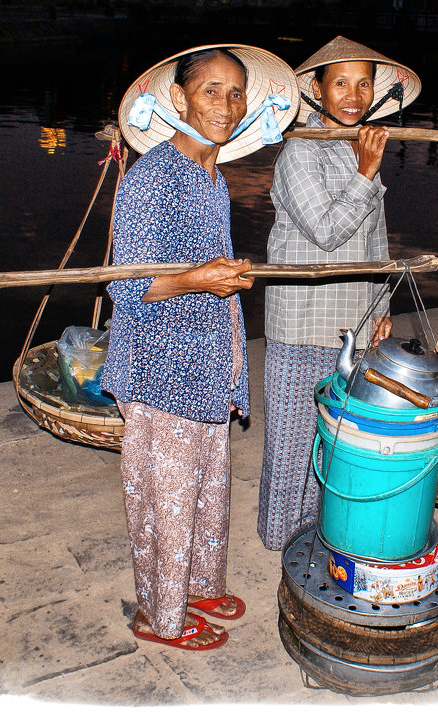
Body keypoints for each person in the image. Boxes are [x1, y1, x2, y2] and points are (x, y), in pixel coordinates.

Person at [102, 44, 297, 649]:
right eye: (211, 90)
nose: (227, 103)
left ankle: (199, 582)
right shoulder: (153, 176)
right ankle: (158, 615)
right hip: (160, 369)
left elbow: (201, 264)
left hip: (207, 364)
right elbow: (126, 286)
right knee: (166, 501)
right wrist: (198, 278)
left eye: (237, 92)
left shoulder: (212, 175)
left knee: (209, 485)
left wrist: (220, 278)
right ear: (179, 99)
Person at [257, 36, 422, 551]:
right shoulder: (299, 152)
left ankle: (321, 531)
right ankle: (281, 538)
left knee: (336, 438)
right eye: (340, 83)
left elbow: (375, 242)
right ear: (317, 91)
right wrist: (366, 173)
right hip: (303, 321)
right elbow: (326, 231)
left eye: (363, 83)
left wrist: (383, 307)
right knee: (292, 440)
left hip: (354, 320)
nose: (353, 95)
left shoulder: (358, 147)